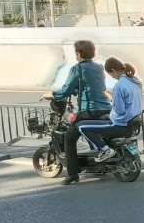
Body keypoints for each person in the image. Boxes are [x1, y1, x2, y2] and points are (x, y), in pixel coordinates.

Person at [42, 39, 110, 185]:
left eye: (76, 53)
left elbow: (66, 89)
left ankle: (72, 174)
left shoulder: (77, 69)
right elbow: (91, 86)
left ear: (78, 53)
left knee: (69, 138)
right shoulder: (99, 67)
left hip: (89, 111)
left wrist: (53, 95)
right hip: (105, 108)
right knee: (92, 131)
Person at [80, 58, 144, 162]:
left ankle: (106, 150)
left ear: (113, 70)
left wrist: (111, 98)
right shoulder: (136, 82)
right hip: (133, 122)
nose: (112, 77)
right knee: (103, 119)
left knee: (82, 126)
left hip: (119, 124)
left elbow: (119, 110)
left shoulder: (119, 86)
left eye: (110, 75)